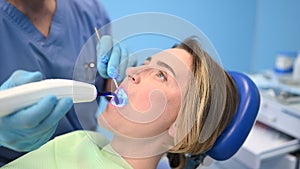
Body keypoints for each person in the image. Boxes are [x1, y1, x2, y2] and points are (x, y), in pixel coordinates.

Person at [1, 37, 239, 169]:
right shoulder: (87, 140)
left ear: (182, 126)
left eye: (161, 75)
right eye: (146, 62)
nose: (133, 71)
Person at [0, 0, 132, 166]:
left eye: (161, 75)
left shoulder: (89, 12)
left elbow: (107, 80)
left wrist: (117, 78)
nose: (137, 75)